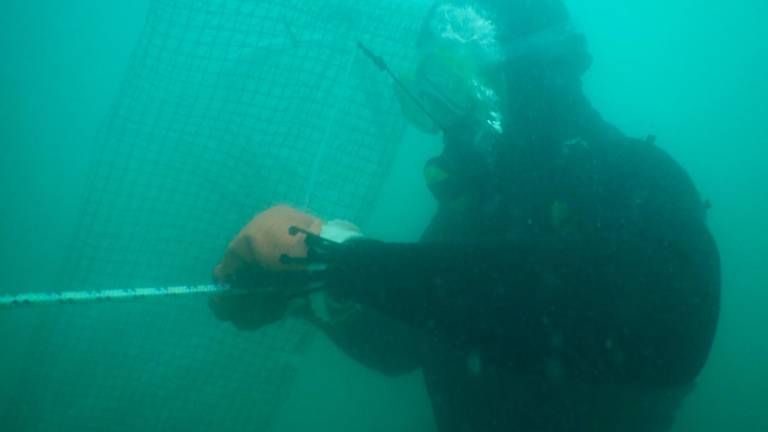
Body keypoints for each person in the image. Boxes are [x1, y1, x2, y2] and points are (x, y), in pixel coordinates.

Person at [209, 1, 721, 431]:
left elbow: (628, 322)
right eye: (426, 94)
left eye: (450, 88)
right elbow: (404, 345)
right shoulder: (473, 218)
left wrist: (342, 257)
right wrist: (317, 294)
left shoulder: (641, 180)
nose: (438, 120)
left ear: (530, 74)